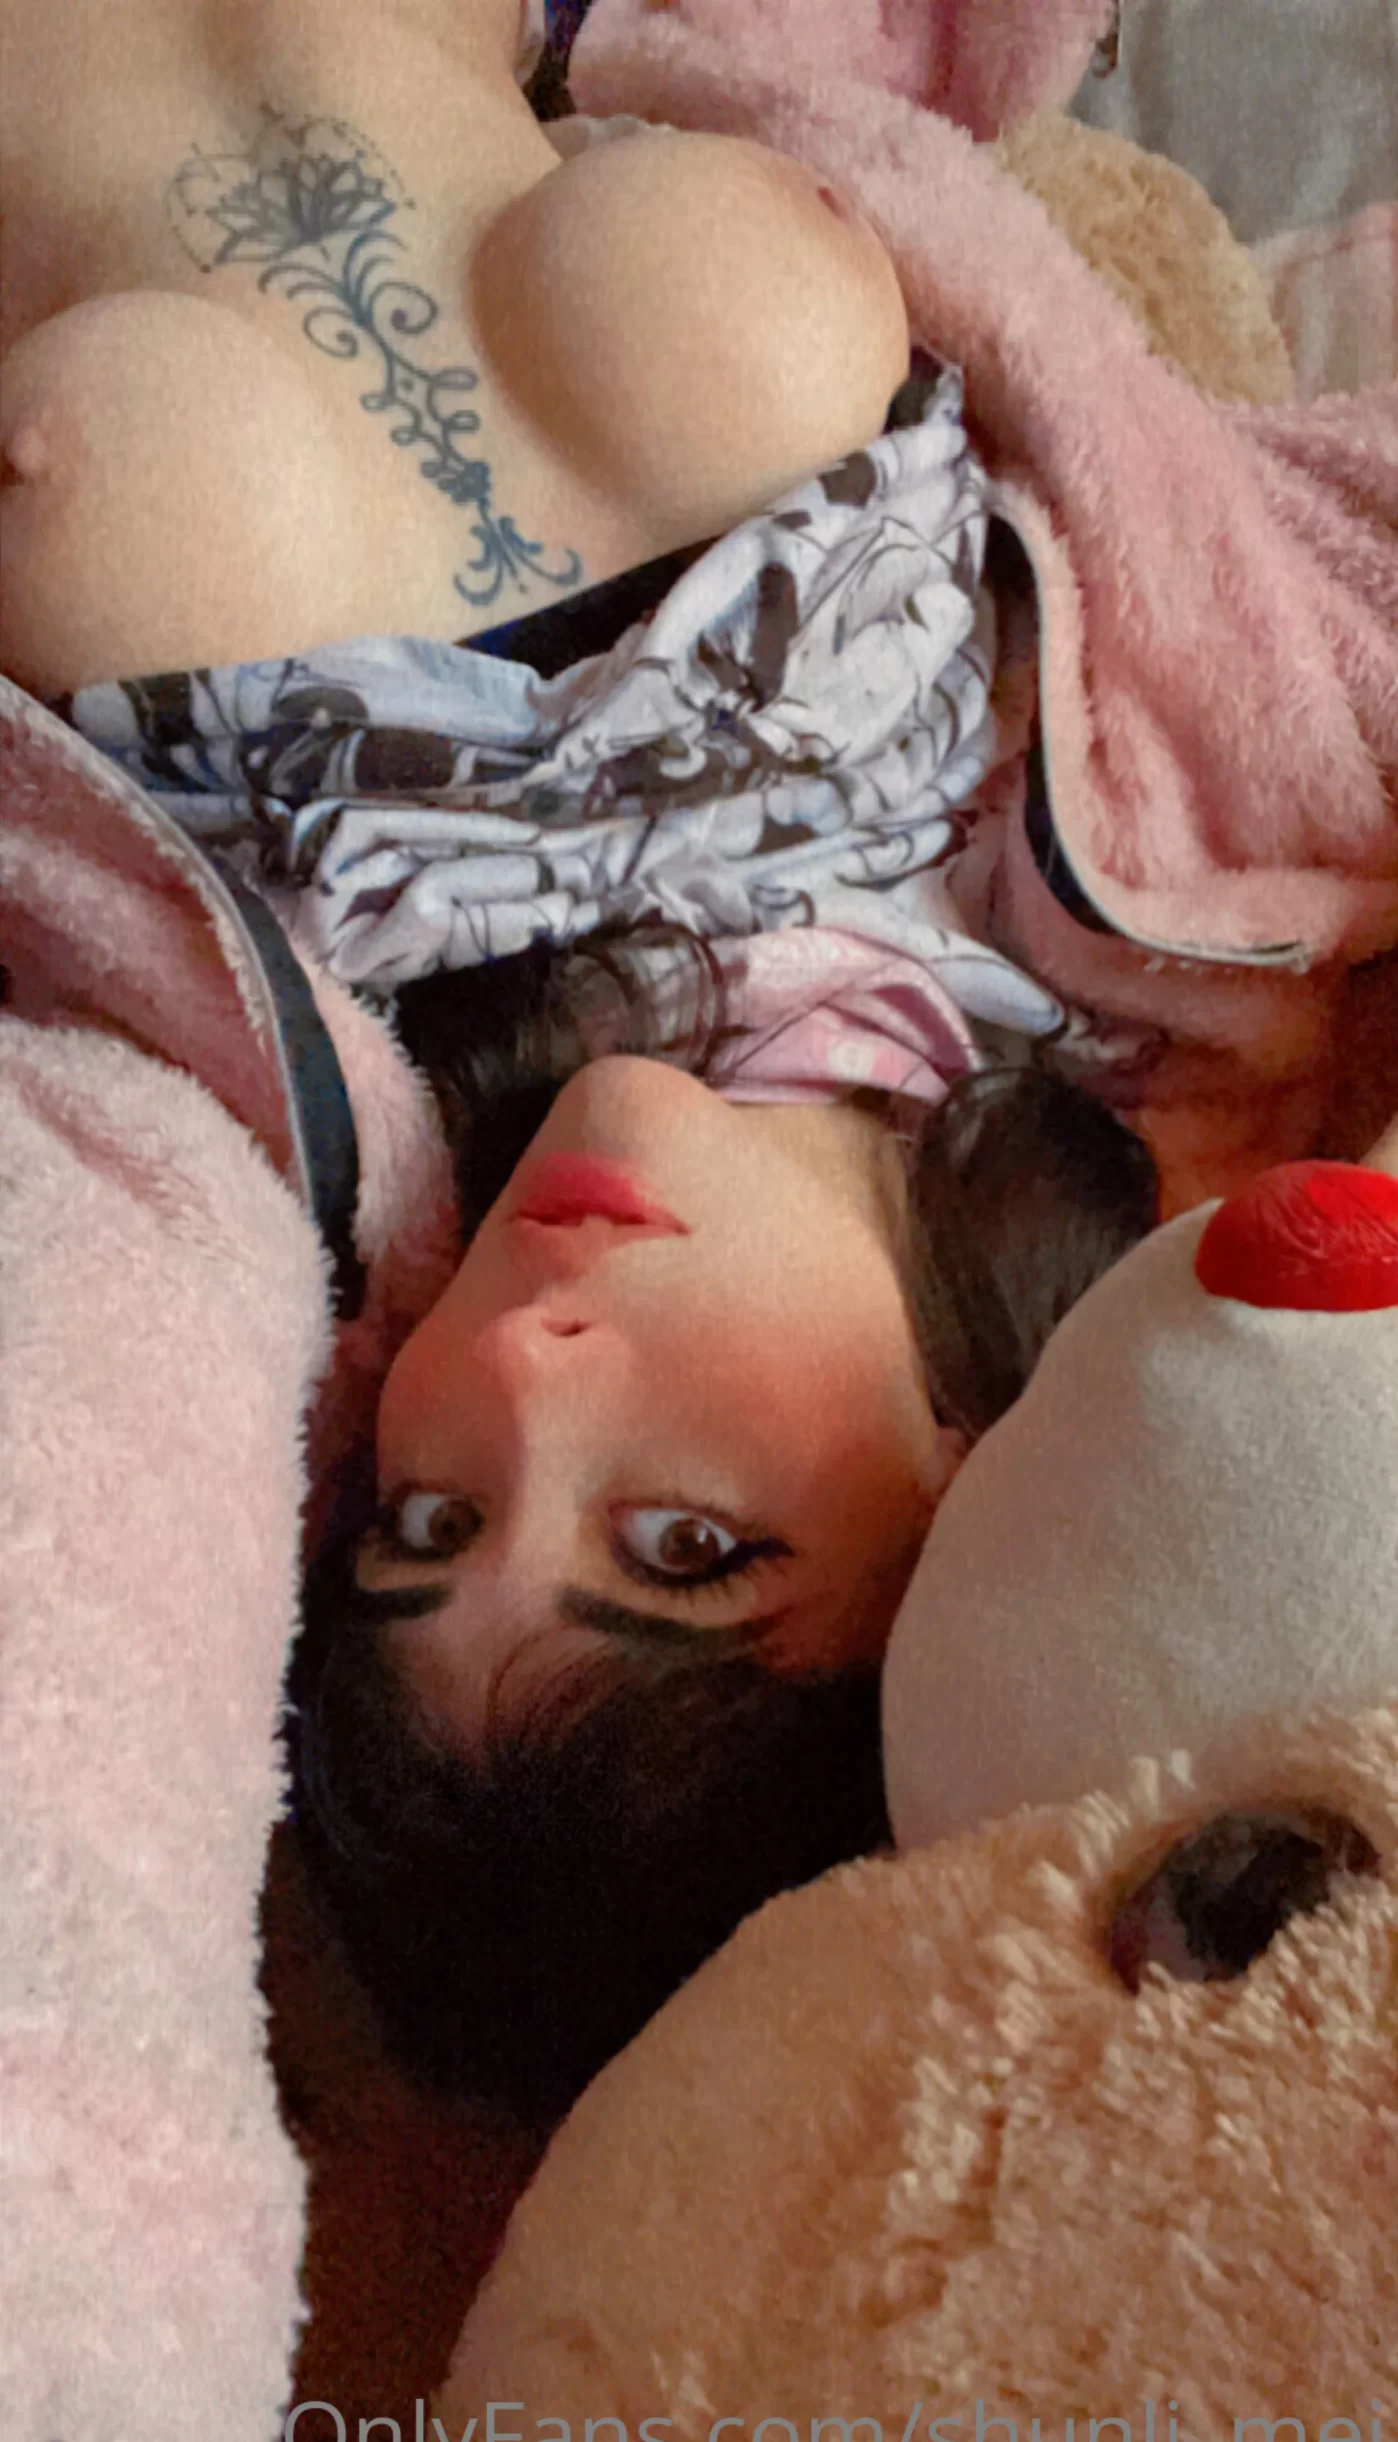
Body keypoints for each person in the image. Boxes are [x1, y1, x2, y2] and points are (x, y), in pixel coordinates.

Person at [0, 0, 1199, 2123]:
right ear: (971, 1495)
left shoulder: (249, 1106)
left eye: (429, 1514)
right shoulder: (1188, 894)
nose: (524, 1370)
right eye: (685, 1549)